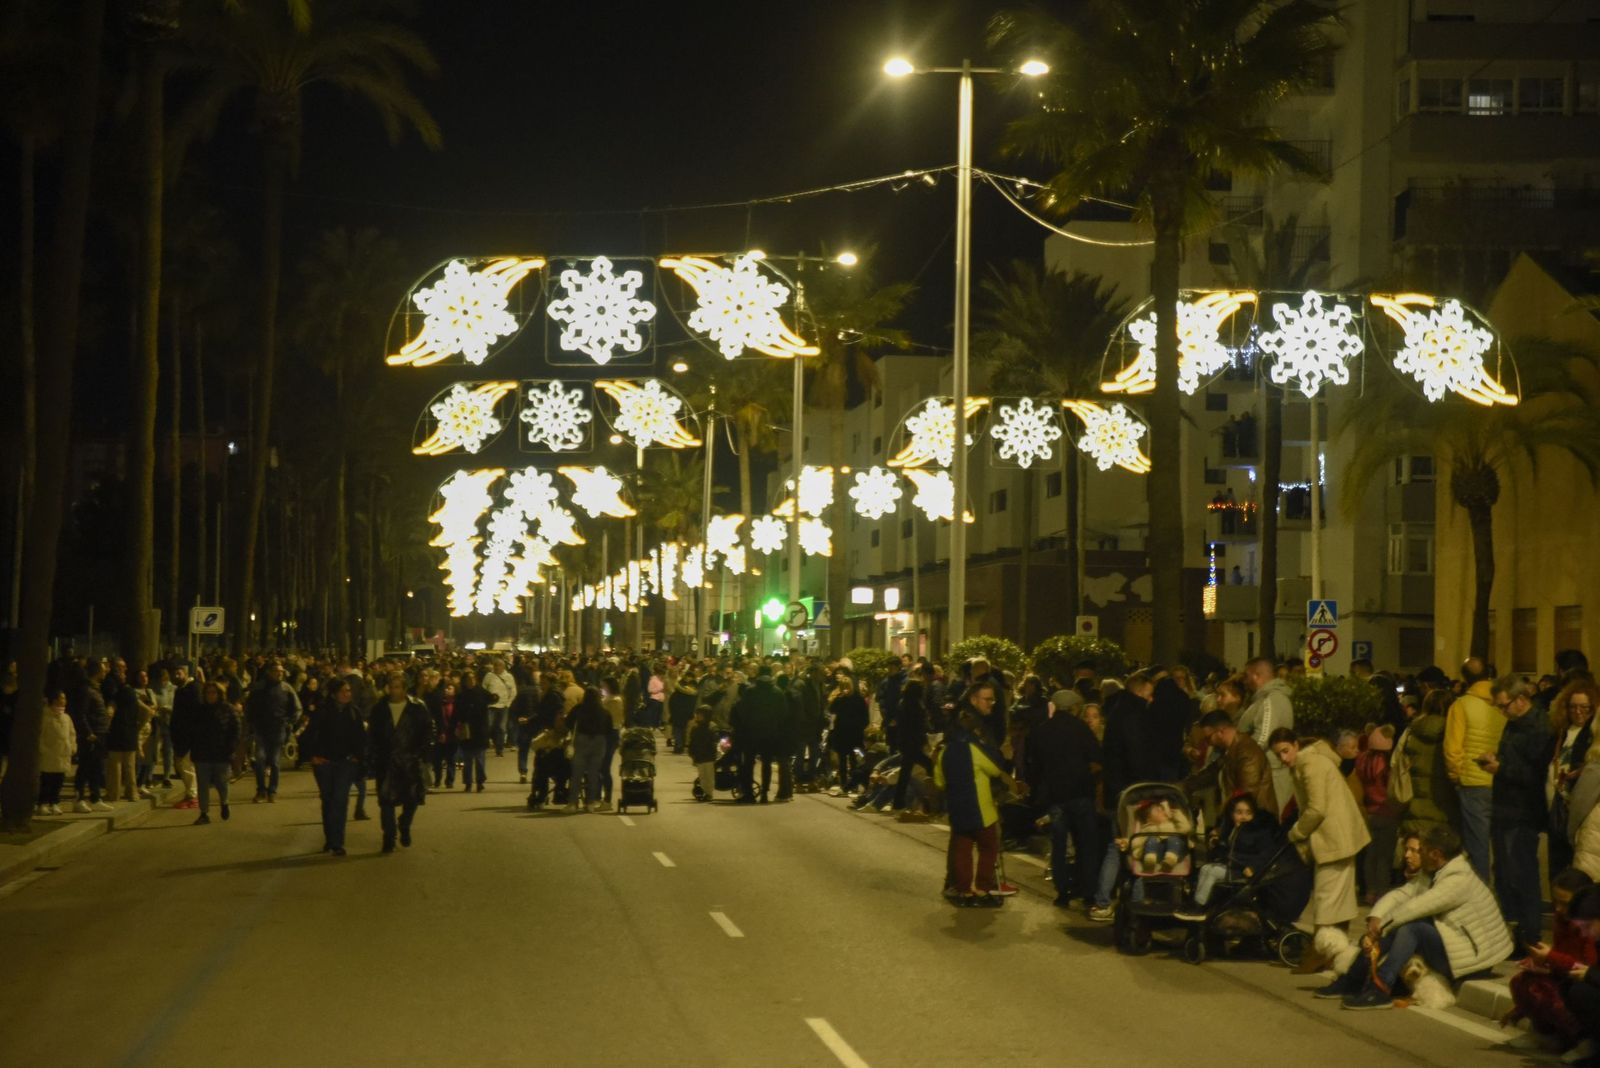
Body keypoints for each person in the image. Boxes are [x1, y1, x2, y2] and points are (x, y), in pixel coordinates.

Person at [1316, 824, 1513, 1011]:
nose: (1412, 855)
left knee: (1412, 927)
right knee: (1400, 927)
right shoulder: (1437, 871)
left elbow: (1415, 907)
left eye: (1421, 850)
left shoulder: (1458, 880)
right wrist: (1376, 916)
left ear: (1435, 854)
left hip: (1475, 961)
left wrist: (1380, 928)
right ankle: (1353, 979)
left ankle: (1380, 988)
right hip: (1458, 946)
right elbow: (1402, 894)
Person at [1269, 727, 1371, 975]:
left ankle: (1320, 951)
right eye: (1278, 755)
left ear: (1296, 745)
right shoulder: (1313, 760)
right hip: (1341, 835)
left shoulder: (1310, 764)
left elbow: (1316, 809)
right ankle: (1334, 950)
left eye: (1285, 751)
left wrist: (1296, 833)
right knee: (1340, 897)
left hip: (1333, 838)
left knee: (1326, 897)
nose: (1283, 758)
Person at [936, 694, 1026, 907]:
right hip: (981, 809)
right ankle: (983, 888)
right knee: (988, 848)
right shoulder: (974, 750)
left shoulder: (945, 752)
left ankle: (964, 890)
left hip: (957, 810)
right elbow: (995, 769)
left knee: (962, 850)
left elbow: (940, 781)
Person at [1487, 674, 1554, 952]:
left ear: (1521, 700)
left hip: (1523, 811)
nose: (1501, 711)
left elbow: (1536, 775)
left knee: (1522, 873)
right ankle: (1516, 931)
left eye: (1503, 705)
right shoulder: (1513, 724)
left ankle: (1530, 935)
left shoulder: (1539, 727)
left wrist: (1500, 768)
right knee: (1504, 873)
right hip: (1504, 807)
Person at [1502, 868, 1596, 1053]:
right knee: (1524, 982)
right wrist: (1541, 962)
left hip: (1586, 983)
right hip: (1569, 976)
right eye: (1556, 902)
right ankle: (1546, 1035)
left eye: (1565, 903)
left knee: (1570, 992)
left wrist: (1550, 957)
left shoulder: (1591, 923)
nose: (1559, 909)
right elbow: (1564, 958)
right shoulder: (1562, 919)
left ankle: (1583, 1042)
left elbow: (1587, 968)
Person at [1026, 693, 1102, 908]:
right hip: (1081, 793)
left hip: (1055, 796)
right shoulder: (1081, 729)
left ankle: (1062, 891)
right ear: (1074, 708)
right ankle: (1088, 890)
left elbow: (1034, 767)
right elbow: (1096, 757)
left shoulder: (1042, 731)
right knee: (1086, 843)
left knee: (1059, 845)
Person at [1443, 656, 1503, 881]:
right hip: (1500, 779)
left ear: (1465, 678)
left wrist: (1455, 775)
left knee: (1477, 845)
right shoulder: (1501, 704)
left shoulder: (1461, 705)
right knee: (1501, 843)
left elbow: (1453, 747)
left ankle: (1481, 893)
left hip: (1473, 781)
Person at [1182, 794, 1278, 914]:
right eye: (1239, 812)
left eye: (1248, 813)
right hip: (1232, 866)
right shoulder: (1232, 830)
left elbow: (1266, 853)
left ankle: (1200, 907)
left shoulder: (1257, 833)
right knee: (1205, 869)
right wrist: (1216, 845)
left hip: (1243, 870)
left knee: (1213, 872)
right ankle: (1197, 901)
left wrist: (1253, 867)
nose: (1244, 817)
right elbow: (1227, 850)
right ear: (1232, 814)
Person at [368, 673, 432, 853]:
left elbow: (427, 732)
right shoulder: (380, 709)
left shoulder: (417, 708)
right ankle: (388, 837)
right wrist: (372, 757)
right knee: (386, 802)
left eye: (397, 687)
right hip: (387, 762)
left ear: (404, 689)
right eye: (391, 686)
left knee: (411, 800)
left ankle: (404, 824)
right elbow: (373, 735)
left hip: (410, 761)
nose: (394, 690)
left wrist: (422, 755)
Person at [304, 677, 366, 856]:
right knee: (328, 800)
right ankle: (329, 838)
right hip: (324, 763)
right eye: (343, 691)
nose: (348, 694)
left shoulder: (354, 712)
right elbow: (309, 734)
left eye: (349, 691)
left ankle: (337, 842)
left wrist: (358, 757)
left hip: (345, 763)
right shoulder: (322, 712)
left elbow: (361, 738)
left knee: (340, 799)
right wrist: (313, 756)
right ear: (334, 694)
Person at [1394, 687, 1459, 840]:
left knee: (1414, 854)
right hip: (1444, 806)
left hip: (1413, 804)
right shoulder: (1453, 733)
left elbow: (1396, 760)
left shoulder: (1411, 731)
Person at [1184, 709, 1274, 814]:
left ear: (1221, 732)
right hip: (1244, 817)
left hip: (1256, 822)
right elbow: (1209, 774)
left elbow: (1247, 794)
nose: (1209, 744)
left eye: (1208, 738)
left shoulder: (1247, 752)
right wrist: (1183, 786)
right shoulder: (1230, 750)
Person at [1551, 680, 1598, 878]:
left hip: (1581, 804)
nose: (1578, 712)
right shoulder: (1563, 731)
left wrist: (1582, 772)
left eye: (1584, 707)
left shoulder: (1593, 733)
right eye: (1573, 707)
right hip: (1560, 799)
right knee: (1557, 863)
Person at [1239, 657, 1294, 816]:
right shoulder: (1264, 699)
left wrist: (1240, 754)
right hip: (1268, 770)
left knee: (1271, 819)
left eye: (1246, 676)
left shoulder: (1272, 699)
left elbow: (1264, 736)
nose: (1245, 681)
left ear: (1256, 675)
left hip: (1272, 772)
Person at [1354, 725, 1399, 903]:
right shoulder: (1389, 763)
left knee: (1370, 855)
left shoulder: (1363, 759)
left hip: (1368, 812)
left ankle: (1370, 891)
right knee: (1384, 857)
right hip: (1387, 812)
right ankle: (1381, 892)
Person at [244, 662, 300, 803]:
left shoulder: (286, 688)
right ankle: (261, 790)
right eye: (276, 671)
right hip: (260, 728)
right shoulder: (259, 688)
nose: (279, 673)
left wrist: (289, 722)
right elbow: (249, 705)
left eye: (281, 671)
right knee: (260, 759)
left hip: (278, 728)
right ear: (269, 672)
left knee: (274, 761)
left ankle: (272, 790)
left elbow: (297, 708)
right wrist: (251, 722)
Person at [187, 681, 240, 826]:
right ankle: (204, 813)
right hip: (202, 753)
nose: (210, 695)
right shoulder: (200, 710)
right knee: (202, 784)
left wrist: (231, 748)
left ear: (219, 694)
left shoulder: (227, 709)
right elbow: (192, 730)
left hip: (221, 752)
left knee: (221, 782)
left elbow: (235, 729)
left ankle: (225, 802)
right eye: (208, 692)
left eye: (213, 692)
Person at [566, 686, 612, 813]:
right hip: (599, 742)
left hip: (581, 740)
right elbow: (609, 729)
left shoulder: (579, 709)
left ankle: (573, 803)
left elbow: (568, 723)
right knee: (593, 774)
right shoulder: (604, 711)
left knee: (577, 774)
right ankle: (590, 803)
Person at [824, 674, 868, 796]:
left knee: (854, 759)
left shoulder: (858, 699)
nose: (845, 689)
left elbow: (864, 716)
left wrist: (861, 728)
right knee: (842, 760)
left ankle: (853, 783)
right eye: (842, 686)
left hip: (854, 733)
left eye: (846, 686)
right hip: (841, 733)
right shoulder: (839, 700)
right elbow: (832, 712)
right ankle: (844, 783)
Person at [35, 688, 76, 816]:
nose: (64, 701)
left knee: (58, 781)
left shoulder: (66, 717)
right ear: (54, 700)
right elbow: (39, 735)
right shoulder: (45, 717)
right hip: (49, 755)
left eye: (64, 698)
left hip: (63, 754)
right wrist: (43, 749)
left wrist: (73, 746)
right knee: (47, 781)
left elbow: (71, 733)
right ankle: (42, 803)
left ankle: (54, 803)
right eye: (61, 698)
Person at [455, 669, 491, 792]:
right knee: (468, 759)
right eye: (468, 679)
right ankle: (468, 782)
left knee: (480, 758)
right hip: (467, 729)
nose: (471, 681)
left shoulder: (481, 692)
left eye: (473, 678)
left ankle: (480, 781)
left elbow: (491, 698)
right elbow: (457, 712)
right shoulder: (461, 695)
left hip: (480, 729)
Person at [483, 656, 516, 756]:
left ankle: (499, 749)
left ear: (503, 666)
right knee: (489, 726)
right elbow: (484, 688)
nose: (497, 667)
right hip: (491, 706)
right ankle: (487, 743)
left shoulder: (509, 677)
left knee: (502, 728)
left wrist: (508, 703)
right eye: (495, 665)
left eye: (499, 665)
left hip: (503, 706)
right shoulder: (489, 676)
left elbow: (513, 691)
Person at [688, 705, 719, 801]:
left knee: (709, 775)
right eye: (697, 714)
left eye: (700, 714)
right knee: (702, 776)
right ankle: (705, 792)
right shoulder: (695, 727)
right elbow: (692, 741)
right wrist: (692, 753)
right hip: (699, 755)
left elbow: (715, 740)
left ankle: (709, 793)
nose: (697, 716)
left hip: (709, 755)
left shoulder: (712, 727)